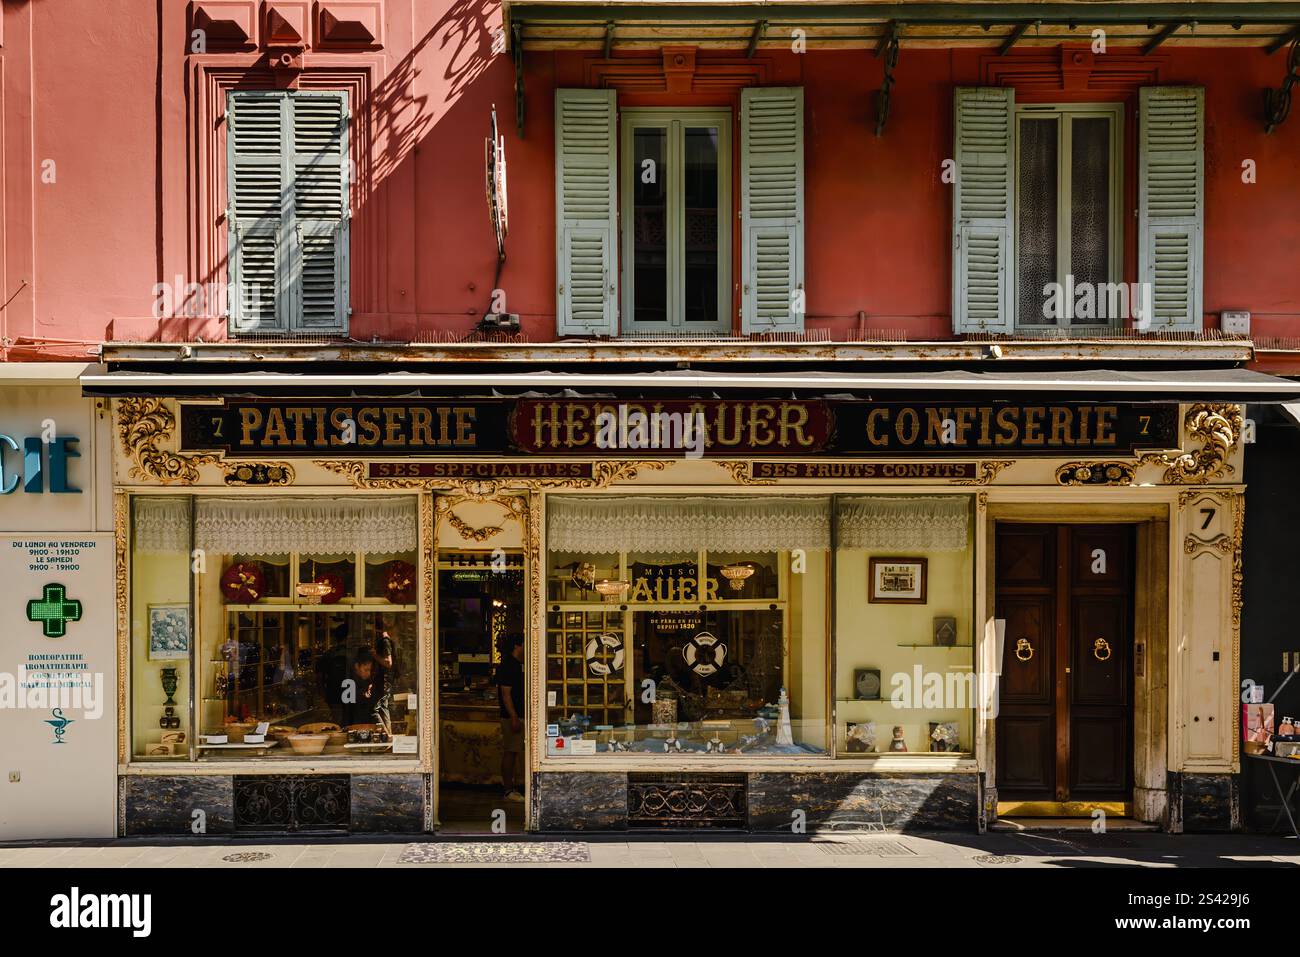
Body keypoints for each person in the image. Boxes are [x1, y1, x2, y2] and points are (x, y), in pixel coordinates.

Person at [495, 634, 526, 802]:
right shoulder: (508, 666)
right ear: (517, 646)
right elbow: (505, 695)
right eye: (524, 643)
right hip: (511, 717)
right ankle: (508, 790)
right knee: (511, 752)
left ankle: (515, 786)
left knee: (515, 752)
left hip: (519, 715)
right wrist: (514, 717)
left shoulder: (519, 665)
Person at [341, 647, 377, 727]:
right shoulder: (349, 681)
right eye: (366, 670)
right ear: (357, 666)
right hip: (354, 723)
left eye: (370, 670)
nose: (369, 673)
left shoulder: (366, 680)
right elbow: (349, 705)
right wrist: (364, 694)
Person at [372, 621, 395, 734]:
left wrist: (374, 655)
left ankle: (386, 734)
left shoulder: (385, 641)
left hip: (384, 681)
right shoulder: (387, 641)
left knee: (375, 709)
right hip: (384, 681)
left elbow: (388, 663)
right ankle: (388, 734)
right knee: (382, 708)